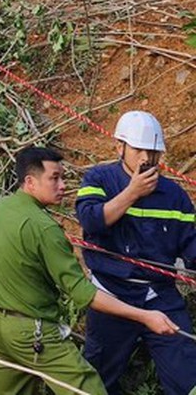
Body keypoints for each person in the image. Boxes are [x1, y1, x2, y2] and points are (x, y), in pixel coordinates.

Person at [0, 146, 180, 394]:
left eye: (63, 177)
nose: (63, 185)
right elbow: (84, 294)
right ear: (30, 182)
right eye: (54, 178)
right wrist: (145, 316)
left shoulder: (2, 208)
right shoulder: (45, 229)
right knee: (89, 389)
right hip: (34, 333)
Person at [75, 112, 196, 395]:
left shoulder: (174, 195)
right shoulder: (99, 178)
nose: (146, 158)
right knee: (96, 380)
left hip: (159, 296)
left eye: (152, 152)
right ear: (120, 147)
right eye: (138, 149)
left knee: (187, 376)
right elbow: (91, 220)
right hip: (110, 294)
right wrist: (132, 193)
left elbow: (191, 246)